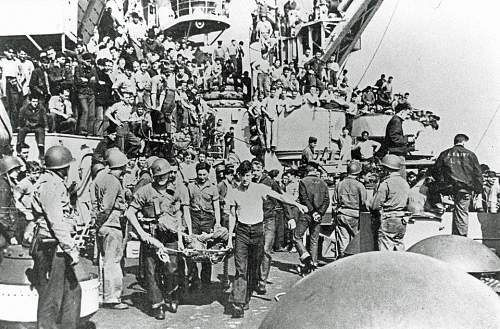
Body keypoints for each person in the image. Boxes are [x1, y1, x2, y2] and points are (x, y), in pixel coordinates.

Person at [226, 160, 307, 318]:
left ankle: (246, 295)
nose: (245, 179)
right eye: (242, 176)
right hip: (242, 231)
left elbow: (280, 197)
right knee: (241, 268)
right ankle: (238, 303)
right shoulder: (234, 192)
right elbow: (231, 216)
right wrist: (230, 238)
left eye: (248, 175)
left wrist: (298, 205)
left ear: (252, 175)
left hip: (257, 231)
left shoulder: (260, 189)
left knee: (253, 267)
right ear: (239, 175)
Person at [125, 158, 191, 319]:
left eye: (165, 174)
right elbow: (129, 213)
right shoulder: (145, 191)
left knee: (172, 269)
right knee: (151, 272)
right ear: (153, 175)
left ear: (170, 174)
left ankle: (171, 294)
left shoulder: (177, 190)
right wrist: (142, 234)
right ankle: (157, 304)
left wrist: (183, 238)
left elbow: (180, 214)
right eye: (158, 175)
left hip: (171, 236)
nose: (162, 177)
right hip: (151, 237)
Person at [31, 146, 81, 328]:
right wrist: (70, 248)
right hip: (52, 245)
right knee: (52, 295)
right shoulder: (51, 185)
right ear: (62, 168)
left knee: (72, 290)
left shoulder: (52, 182)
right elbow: (56, 222)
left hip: (56, 243)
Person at [93, 149, 129, 309]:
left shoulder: (99, 178)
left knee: (103, 262)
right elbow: (106, 207)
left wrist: (97, 224)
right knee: (113, 262)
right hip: (111, 225)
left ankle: (101, 295)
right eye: (123, 169)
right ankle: (113, 297)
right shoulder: (113, 181)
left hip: (101, 226)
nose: (124, 172)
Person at [428, 134, 483, 236]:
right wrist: (478, 190)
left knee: (454, 210)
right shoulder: (470, 155)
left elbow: (435, 171)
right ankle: (461, 237)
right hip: (464, 189)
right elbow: (478, 174)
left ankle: (439, 208)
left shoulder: (445, 154)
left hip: (448, 188)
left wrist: (443, 181)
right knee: (462, 212)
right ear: (463, 142)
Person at [251, 157, 283, 294]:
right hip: (254, 220)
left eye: (257, 170)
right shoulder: (249, 183)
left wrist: (290, 217)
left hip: (269, 219)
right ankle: (254, 278)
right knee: (254, 250)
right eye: (253, 170)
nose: (255, 173)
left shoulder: (270, 182)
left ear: (263, 169)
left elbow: (281, 197)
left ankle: (262, 281)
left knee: (266, 250)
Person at [187, 162, 221, 288]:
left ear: (208, 174)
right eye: (199, 174)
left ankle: (206, 280)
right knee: (192, 248)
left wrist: (217, 222)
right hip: (194, 217)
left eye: (204, 174)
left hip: (207, 219)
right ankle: (194, 278)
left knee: (206, 251)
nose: (201, 177)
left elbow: (216, 207)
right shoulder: (190, 186)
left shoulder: (213, 187)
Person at [292, 163, 330, 272]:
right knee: (314, 239)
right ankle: (314, 263)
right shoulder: (323, 183)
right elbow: (327, 200)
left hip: (306, 213)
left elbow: (304, 198)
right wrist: (319, 213)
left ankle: (305, 256)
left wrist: (312, 211)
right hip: (318, 215)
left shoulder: (303, 181)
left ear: (307, 171)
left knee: (297, 237)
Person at [369, 154, 410, 251]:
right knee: (399, 247)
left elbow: (375, 206)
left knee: (385, 250)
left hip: (389, 219)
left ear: (387, 169)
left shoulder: (386, 183)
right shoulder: (404, 183)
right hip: (402, 219)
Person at [332, 161, 367, 258]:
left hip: (341, 214)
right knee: (356, 241)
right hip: (355, 216)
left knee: (343, 240)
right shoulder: (360, 185)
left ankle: (343, 259)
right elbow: (364, 203)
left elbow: (334, 201)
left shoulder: (339, 184)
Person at [105, 90, 144, 157]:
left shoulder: (129, 107)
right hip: (120, 127)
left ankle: (128, 156)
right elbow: (107, 113)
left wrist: (137, 119)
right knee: (121, 149)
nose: (128, 99)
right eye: (126, 98)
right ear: (122, 98)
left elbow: (129, 119)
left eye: (129, 97)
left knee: (137, 143)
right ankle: (122, 160)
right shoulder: (117, 105)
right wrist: (115, 121)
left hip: (127, 128)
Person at [0, 156, 23, 250]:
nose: (19, 171)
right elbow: (2, 213)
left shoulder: (6, 183)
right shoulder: (4, 186)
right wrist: (11, 235)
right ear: (8, 170)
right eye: (16, 169)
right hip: (4, 232)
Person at [17, 95, 46, 161]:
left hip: (37, 126)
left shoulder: (41, 108)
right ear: (30, 101)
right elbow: (20, 117)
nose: (35, 103)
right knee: (21, 130)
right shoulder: (24, 108)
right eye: (33, 101)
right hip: (28, 126)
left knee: (41, 131)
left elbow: (44, 118)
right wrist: (20, 125)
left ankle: (41, 151)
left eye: (36, 101)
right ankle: (19, 147)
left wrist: (46, 127)